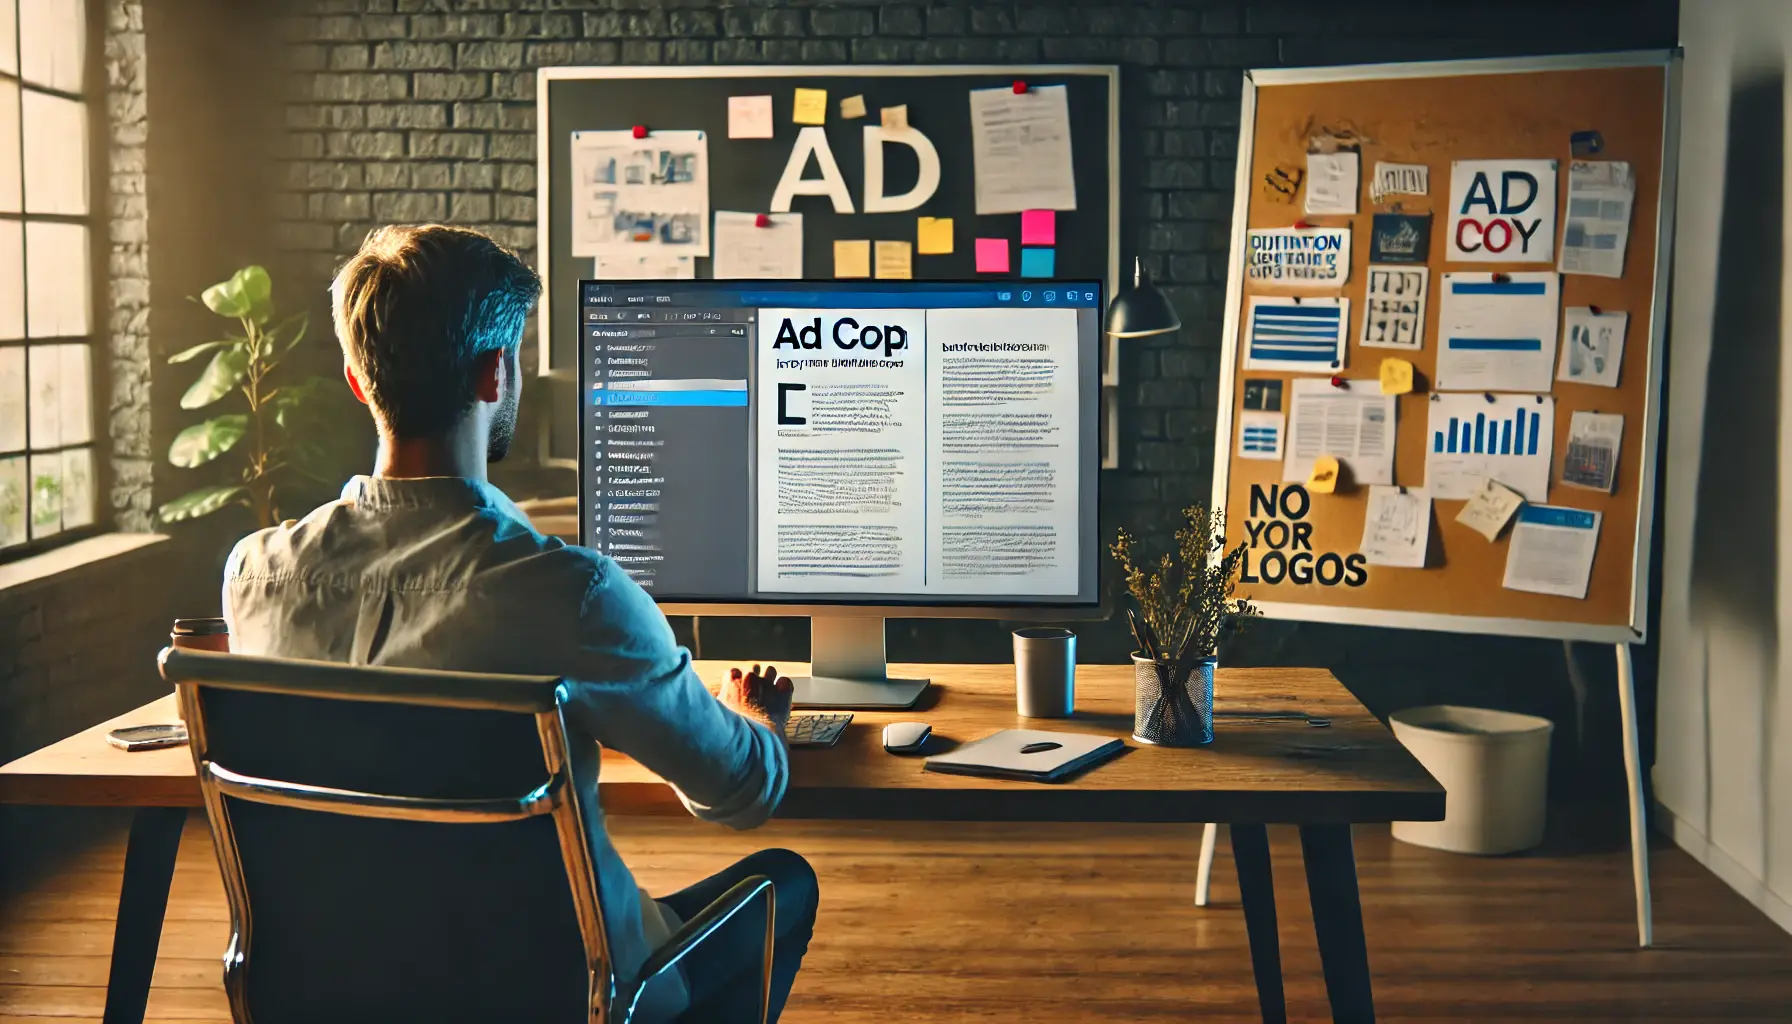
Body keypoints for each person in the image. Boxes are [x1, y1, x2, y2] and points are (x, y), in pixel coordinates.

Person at [222, 224, 815, 1023]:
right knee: (782, 882)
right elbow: (738, 790)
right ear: (496, 372)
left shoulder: (257, 575)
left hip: (347, 989)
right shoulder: (569, 594)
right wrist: (758, 723)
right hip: (562, 995)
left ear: (358, 382)